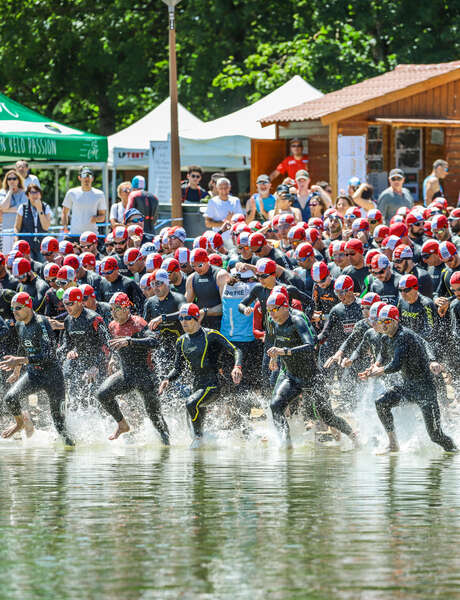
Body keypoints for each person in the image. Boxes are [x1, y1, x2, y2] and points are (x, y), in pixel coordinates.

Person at [266, 291, 358, 448]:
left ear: (285, 307)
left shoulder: (296, 321)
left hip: (312, 378)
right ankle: (286, 444)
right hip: (292, 377)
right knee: (275, 406)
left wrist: (285, 351)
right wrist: (274, 357)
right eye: (268, 310)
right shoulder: (273, 322)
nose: (271, 313)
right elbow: (276, 342)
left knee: (328, 417)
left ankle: (353, 436)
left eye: (274, 309)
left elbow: (311, 345)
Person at [359, 304, 456, 454]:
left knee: (436, 436)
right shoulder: (385, 338)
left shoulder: (404, 336)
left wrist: (380, 371)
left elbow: (396, 364)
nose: (383, 325)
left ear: (396, 321)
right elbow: (383, 356)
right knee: (381, 403)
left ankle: (455, 450)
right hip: (408, 387)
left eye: (387, 321)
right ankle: (393, 443)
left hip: (425, 391)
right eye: (381, 321)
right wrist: (374, 367)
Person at [159, 303, 243, 448]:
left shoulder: (210, 335)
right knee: (192, 413)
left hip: (214, 384)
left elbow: (236, 350)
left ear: (197, 318)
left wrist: (237, 366)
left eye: (187, 318)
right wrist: (167, 378)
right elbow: (177, 368)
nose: (183, 322)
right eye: (181, 318)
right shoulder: (181, 341)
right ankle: (205, 442)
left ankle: (198, 439)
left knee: (191, 403)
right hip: (197, 386)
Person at [0, 291, 74, 445]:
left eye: (18, 308)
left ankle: (70, 450)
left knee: (61, 428)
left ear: (28, 307)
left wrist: (19, 360)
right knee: (10, 398)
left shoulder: (42, 323)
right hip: (34, 375)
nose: (14, 312)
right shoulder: (20, 324)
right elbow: (23, 347)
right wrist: (17, 370)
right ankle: (20, 423)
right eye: (12, 308)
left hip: (53, 377)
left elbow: (49, 355)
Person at [96, 292, 170, 444]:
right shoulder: (112, 326)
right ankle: (122, 425)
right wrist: (112, 358)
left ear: (125, 309)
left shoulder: (138, 323)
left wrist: (130, 341)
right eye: (111, 309)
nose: (112, 313)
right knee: (102, 394)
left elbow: (154, 342)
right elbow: (115, 346)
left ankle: (167, 444)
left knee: (155, 417)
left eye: (114, 309)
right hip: (126, 375)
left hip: (145, 377)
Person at [185, 248, 229, 330]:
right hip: (201, 324)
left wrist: (205, 312)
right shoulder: (191, 278)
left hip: (220, 324)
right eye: (193, 266)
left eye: (199, 265)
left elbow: (226, 306)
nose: (197, 269)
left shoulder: (220, 275)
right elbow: (186, 305)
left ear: (207, 261)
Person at [61, 167, 106, 239]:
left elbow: (102, 217)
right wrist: (65, 227)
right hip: (75, 235)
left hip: (92, 235)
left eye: (89, 176)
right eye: (84, 175)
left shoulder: (99, 194)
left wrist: (96, 219)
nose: (87, 179)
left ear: (92, 178)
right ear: (79, 177)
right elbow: (64, 212)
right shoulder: (72, 192)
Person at [14, 184, 52, 261]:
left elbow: (46, 227)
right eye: (32, 192)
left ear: (40, 195)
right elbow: (17, 227)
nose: (35, 195)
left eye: (37, 192)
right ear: (28, 195)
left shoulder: (46, 207)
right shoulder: (22, 208)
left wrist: (40, 209)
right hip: (26, 244)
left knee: (41, 267)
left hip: (41, 245)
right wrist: (16, 241)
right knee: (28, 267)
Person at [204, 177, 244, 243]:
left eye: (226, 188)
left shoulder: (236, 200)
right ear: (217, 189)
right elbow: (208, 223)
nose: (224, 190)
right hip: (219, 239)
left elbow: (241, 221)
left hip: (234, 239)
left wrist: (231, 221)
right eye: (221, 188)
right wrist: (226, 222)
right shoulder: (212, 202)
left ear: (230, 187)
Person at [0, 170, 28, 254]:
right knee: (6, 254)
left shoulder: (23, 192)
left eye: (14, 178)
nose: (12, 181)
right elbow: (3, 207)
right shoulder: (2, 192)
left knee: (19, 253)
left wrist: (6, 209)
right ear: (6, 180)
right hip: (6, 228)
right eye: (9, 179)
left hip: (20, 228)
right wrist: (10, 191)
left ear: (18, 180)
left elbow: (22, 208)